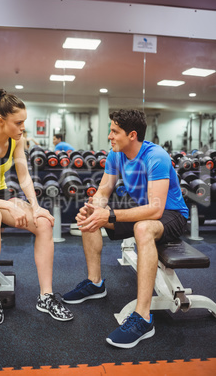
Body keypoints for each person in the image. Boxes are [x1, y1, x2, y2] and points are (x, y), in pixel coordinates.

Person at [62, 109, 188, 348]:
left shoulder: (156, 157)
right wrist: (93, 208)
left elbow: (156, 210)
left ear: (132, 135)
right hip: (143, 210)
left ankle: (143, 317)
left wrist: (109, 213)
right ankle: (95, 283)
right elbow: (103, 191)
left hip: (171, 215)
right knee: (91, 216)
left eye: (114, 131)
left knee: (142, 228)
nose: (109, 136)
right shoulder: (116, 155)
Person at [0, 89, 73, 325]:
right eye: (18, 123)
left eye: (24, 123)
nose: (22, 128)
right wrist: (8, 207)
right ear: (1, 120)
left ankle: (46, 296)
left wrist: (35, 206)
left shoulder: (16, 140)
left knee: (43, 223)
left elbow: (25, 177)